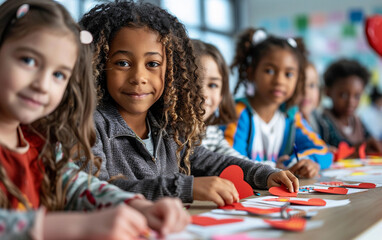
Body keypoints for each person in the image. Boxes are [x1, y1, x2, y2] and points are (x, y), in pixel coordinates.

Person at [80, 1, 299, 207]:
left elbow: (211, 161)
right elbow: (96, 191)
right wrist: (185, 187)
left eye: (153, 64)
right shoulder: (89, 126)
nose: (139, 77)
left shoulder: (168, 126)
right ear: (99, 65)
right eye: (123, 63)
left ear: (172, 70)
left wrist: (266, 174)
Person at [0, 0, 189, 239]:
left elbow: (78, 186)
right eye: (28, 61)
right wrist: (70, 227)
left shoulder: (39, 143)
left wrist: (138, 206)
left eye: (59, 74)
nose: (42, 85)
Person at [225, 28, 332, 178]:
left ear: (298, 79)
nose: (279, 81)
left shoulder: (291, 115)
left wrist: (304, 162)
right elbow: (230, 162)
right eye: (269, 71)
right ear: (251, 73)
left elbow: (323, 151)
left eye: (288, 74)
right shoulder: (238, 112)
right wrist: (273, 167)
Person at [192, 39, 250, 160]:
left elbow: (236, 162)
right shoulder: (164, 136)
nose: (203, 94)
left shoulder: (212, 133)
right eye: (193, 83)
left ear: (222, 95)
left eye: (213, 85)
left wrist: (273, 170)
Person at [318, 59, 382, 154]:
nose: (350, 102)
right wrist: (361, 148)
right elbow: (332, 148)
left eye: (357, 96)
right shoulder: (323, 122)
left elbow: (371, 140)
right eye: (343, 95)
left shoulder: (357, 122)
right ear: (328, 92)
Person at [298, 62, 322, 134]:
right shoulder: (289, 123)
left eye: (311, 85)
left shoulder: (319, 120)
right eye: (299, 85)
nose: (306, 92)